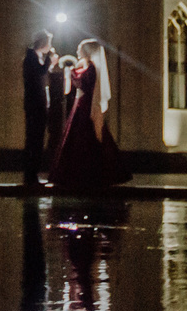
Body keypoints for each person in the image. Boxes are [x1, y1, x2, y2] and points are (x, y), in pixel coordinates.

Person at [45, 38, 126, 192]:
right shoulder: (85, 66)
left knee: (84, 136)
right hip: (80, 102)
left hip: (85, 104)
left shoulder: (91, 68)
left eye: (80, 48)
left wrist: (73, 74)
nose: (77, 51)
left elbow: (84, 84)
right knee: (78, 137)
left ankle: (85, 174)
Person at [20, 31, 59, 186]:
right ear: (43, 43)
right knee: (34, 140)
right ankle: (30, 176)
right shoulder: (31, 57)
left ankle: (32, 175)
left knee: (36, 140)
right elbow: (39, 73)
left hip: (38, 104)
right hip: (34, 105)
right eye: (49, 42)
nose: (50, 46)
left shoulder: (36, 57)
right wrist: (50, 60)